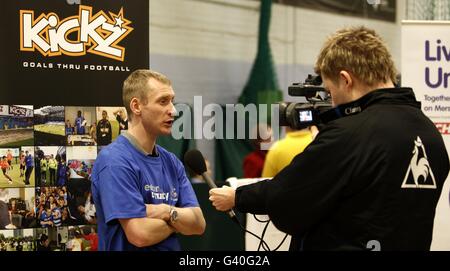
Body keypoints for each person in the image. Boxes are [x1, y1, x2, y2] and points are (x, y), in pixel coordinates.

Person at [209, 26, 450, 251]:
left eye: (331, 91)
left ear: (346, 79)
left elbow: (289, 197)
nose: (331, 102)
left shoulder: (349, 134)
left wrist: (238, 197)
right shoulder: (431, 133)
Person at [92, 69, 206, 251]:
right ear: (136, 106)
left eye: (172, 101)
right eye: (163, 101)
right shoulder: (115, 161)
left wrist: (166, 211)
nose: (173, 111)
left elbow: (198, 224)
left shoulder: (172, 161)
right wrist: (178, 220)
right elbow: (140, 235)